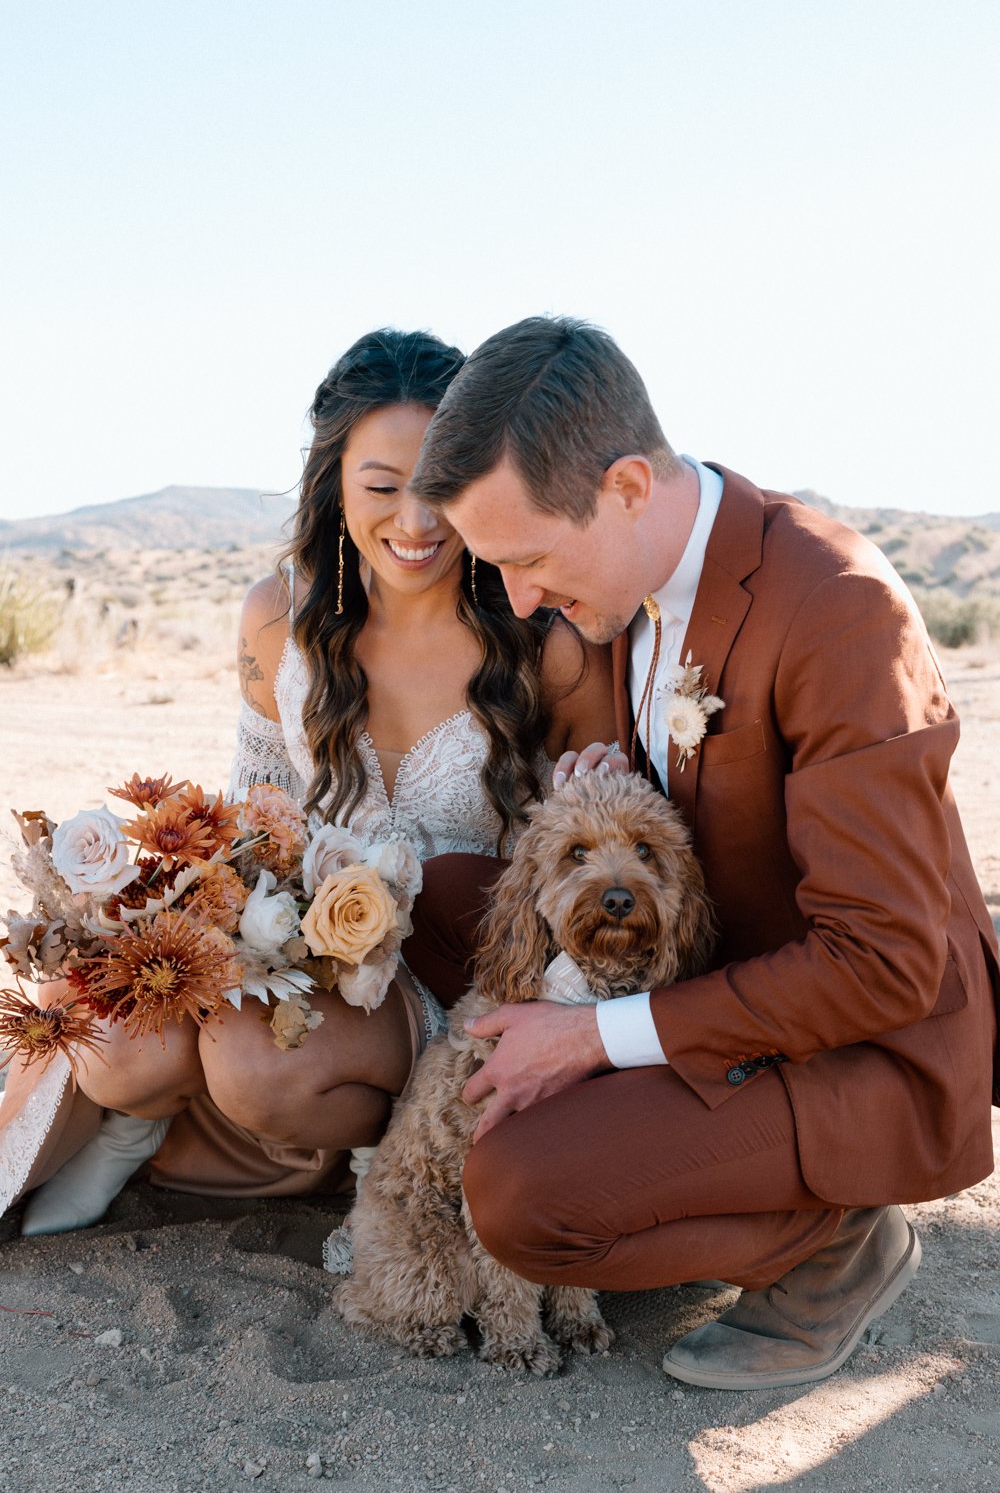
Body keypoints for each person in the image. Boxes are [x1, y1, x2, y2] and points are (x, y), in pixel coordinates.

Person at [402, 315, 1000, 1390]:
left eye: (529, 559)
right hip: (722, 970)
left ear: (627, 485)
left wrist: (592, 1039)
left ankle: (831, 1241)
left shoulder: (837, 611)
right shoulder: (629, 588)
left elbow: (885, 964)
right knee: (442, 902)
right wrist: (598, 785)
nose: (522, 601)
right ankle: (645, 1137)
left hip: (858, 1044)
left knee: (520, 1201)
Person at [1, 327, 617, 1235]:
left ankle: (385, 1163)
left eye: (442, 484)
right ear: (333, 481)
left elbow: (589, 845)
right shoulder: (275, 617)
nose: (416, 522)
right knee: (124, 1026)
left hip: (450, 965)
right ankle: (131, 1134)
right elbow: (250, 811)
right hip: (292, 939)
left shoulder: (545, 636)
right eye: (381, 487)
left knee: (259, 1067)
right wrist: (232, 923)